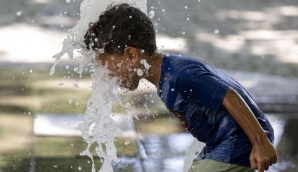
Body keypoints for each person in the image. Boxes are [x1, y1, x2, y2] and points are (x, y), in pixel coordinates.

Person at [84, 3, 277, 172]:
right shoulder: (166, 75)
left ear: (131, 56)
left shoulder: (180, 75)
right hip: (224, 141)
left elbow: (231, 96)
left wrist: (260, 143)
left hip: (241, 140)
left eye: (107, 66)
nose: (106, 74)